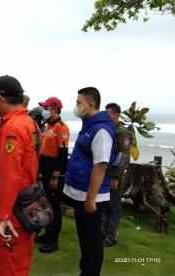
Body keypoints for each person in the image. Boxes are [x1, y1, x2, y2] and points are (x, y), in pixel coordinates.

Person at [0, 75, 40, 275]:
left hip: (11, 211)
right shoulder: (30, 123)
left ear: (1, 100)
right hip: (24, 205)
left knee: (7, 266)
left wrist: (4, 216)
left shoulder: (12, 128)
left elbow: (11, 175)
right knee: (19, 264)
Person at [64, 87, 116, 276]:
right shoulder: (89, 124)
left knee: (92, 239)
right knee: (84, 237)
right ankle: (85, 271)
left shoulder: (101, 129)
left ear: (90, 104)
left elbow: (101, 166)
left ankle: (91, 273)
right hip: (80, 191)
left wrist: (91, 199)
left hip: (90, 194)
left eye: (79, 103)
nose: (76, 106)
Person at [35, 97, 70, 253]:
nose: (44, 110)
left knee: (54, 208)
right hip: (45, 172)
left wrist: (56, 176)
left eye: (46, 107)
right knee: (46, 205)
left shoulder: (61, 128)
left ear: (54, 109)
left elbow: (63, 155)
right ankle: (47, 234)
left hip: (55, 175)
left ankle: (53, 240)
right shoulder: (49, 126)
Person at [101, 103, 131, 247]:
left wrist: (116, 177)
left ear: (117, 115)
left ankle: (111, 235)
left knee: (114, 205)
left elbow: (125, 156)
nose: (106, 116)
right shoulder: (110, 129)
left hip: (114, 175)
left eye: (109, 113)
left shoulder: (123, 131)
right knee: (105, 204)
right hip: (106, 173)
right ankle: (103, 231)